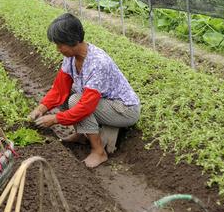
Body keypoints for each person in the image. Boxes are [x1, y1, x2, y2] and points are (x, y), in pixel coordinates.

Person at [28, 13, 141, 168]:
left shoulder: (98, 63)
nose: (58, 49)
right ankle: (82, 135)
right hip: (104, 101)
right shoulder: (71, 58)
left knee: (76, 101)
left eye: (60, 45)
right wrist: (40, 109)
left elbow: (86, 106)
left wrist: (55, 119)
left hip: (124, 109)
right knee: (69, 94)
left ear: (73, 41)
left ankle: (99, 152)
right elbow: (59, 90)